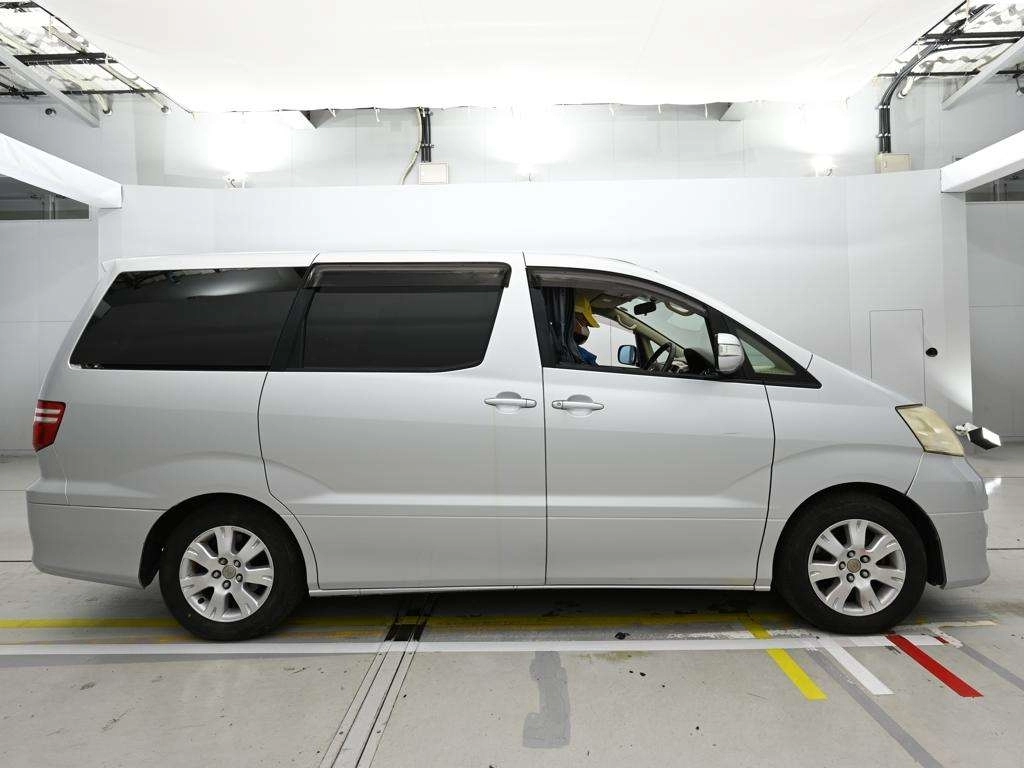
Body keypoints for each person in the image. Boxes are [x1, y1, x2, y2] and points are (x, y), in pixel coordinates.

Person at [573, 294, 600, 365]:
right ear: (573, 318)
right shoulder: (582, 356)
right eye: (584, 322)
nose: (586, 328)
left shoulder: (568, 348)